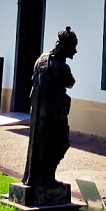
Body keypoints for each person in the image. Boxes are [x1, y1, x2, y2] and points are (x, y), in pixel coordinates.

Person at [22, 27, 77, 187]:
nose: (75, 51)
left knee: (40, 145)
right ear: (66, 47)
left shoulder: (42, 59)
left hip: (38, 112)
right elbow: (71, 82)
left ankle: (37, 177)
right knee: (60, 143)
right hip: (54, 114)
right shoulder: (61, 67)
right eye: (73, 47)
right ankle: (47, 177)